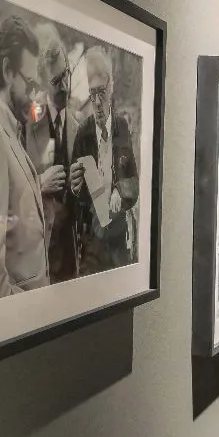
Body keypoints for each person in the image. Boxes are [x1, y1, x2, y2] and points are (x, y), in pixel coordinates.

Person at [0, 16, 56, 301]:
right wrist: (26, 319)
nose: (34, 96)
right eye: (29, 83)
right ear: (7, 71)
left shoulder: (11, 134)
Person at [71, 46, 139, 275]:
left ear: (111, 87)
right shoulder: (83, 133)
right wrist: (75, 188)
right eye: (92, 94)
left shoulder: (121, 127)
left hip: (119, 241)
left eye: (101, 92)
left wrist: (120, 191)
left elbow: (133, 181)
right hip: (92, 245)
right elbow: (75, 198)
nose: (97, 102)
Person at [26, 33, 85, 283]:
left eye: (67, 75)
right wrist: (39, 185)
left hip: (69, 260)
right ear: (42, 82)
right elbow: (4, 191)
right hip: (35, 257)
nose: (64, 86)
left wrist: (79, 187)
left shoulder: (75, 126)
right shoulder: (25, 121)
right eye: (56, 80)